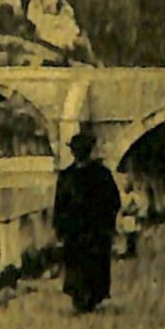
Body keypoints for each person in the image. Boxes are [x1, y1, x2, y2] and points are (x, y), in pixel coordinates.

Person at [53, 130, 121, 312]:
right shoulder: (102, 174)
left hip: (80, 230)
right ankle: (86, 296)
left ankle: (85, 296)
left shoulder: (67, 176)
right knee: (91, 263)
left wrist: (59, 228)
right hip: (90, 230)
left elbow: (59, 206)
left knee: (81, 263)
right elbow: (114, 201)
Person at [117, 177, 144, 259]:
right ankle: (128, 250)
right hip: (127, 217)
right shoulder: (123, 195)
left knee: (131, 235)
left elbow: (138, 206)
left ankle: (132, 251)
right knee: (127, 235)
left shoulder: (133, 196)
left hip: (131, 217)